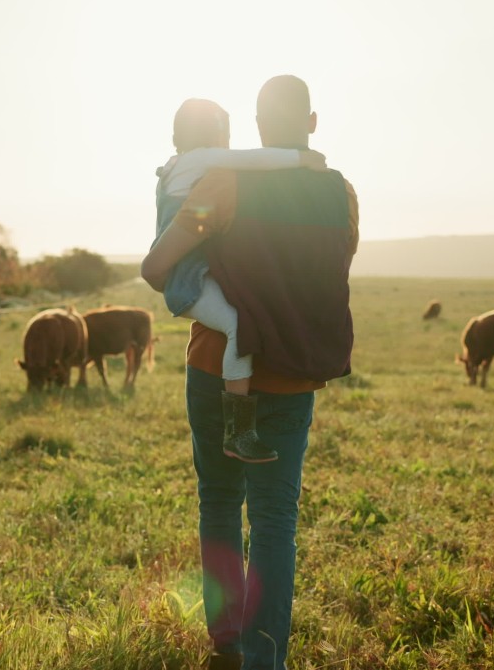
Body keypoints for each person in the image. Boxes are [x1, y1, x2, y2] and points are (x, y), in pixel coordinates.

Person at [142, 75, 358, 670]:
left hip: (216, 369)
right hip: (292, 372)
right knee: (274, 524)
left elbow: (158, 266)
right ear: (311, 124)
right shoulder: (342, 194)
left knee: (218, 500)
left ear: (257, 129)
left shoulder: (222, 182)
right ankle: (265, 663)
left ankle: (225, 646)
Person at [152, 98, 326, 463]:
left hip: (192, 273)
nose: (230, 143)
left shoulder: (175, 166)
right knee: (239, 325)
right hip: (189, 278)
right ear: (214, 135)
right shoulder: (201, 160)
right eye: (226, 133)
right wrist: (301, 160)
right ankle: (239, 431)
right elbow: (255, 160)